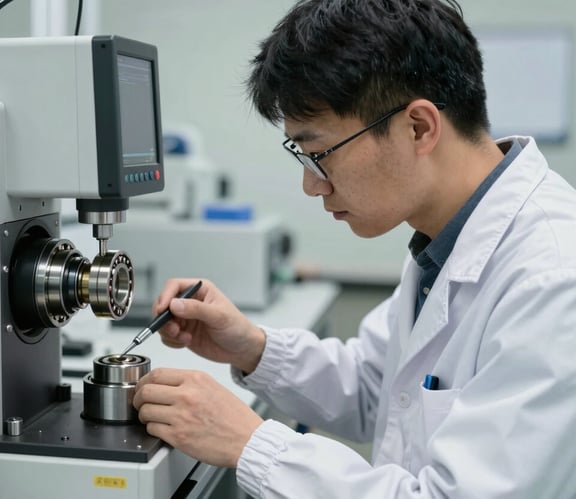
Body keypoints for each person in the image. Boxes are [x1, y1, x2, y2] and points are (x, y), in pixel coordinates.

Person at [132, 0, 576, 497]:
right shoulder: (446, 237)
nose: (311, 185)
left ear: (419, 128)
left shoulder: (553, 279)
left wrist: (249, 442)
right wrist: (252, 347)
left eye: (319, 154)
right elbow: (379, 388)